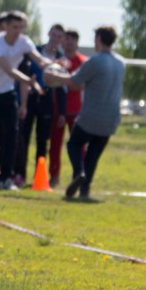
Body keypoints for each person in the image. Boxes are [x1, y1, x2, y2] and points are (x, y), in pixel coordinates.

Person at [0, 11, 53, 190]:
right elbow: (9, 71)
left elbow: (39, 59)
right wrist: (28, 81)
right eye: (15, 27)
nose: (18, 31)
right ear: (5, 26)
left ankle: (4, 179)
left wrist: (54, 65)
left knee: (10, 136)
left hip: (6, 94)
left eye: (21, 27)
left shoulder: (25, 42)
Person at [44, 25, 126, 200]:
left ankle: (79, 173)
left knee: (73, 144)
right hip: (111, 119)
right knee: (93, 154)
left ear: (99, 39)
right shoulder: (121, 63)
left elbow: (75, 81)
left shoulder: (94, 61)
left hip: (91, 117)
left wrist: (54, 76)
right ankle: (84, 190)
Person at [14, 23, 65, 187]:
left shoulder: (62, 59)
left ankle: (39, 177)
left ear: (61, 39)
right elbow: (21, 73)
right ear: (48, 33)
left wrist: (62, 112)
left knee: (42, 140)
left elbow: (64, 87)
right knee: (23, 137)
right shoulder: (33, 51)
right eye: (53, 34)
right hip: (29, 98)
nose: (55, 38)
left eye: (59, 36)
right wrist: (22, 99)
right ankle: (19, 175)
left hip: (47, 100)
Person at [48, 28, 87, 187]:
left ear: (77, 42)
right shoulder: (58, 62)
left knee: (79, 146)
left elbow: (81, 85)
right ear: (63, 41)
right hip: (59, 110)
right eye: (67, 39)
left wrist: (64, 81)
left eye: (73, 40)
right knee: (55, 145)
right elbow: (51, 82)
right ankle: (54, 176)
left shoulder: (84, 62)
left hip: (78, 111)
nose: (69, 43)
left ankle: (80, 176)